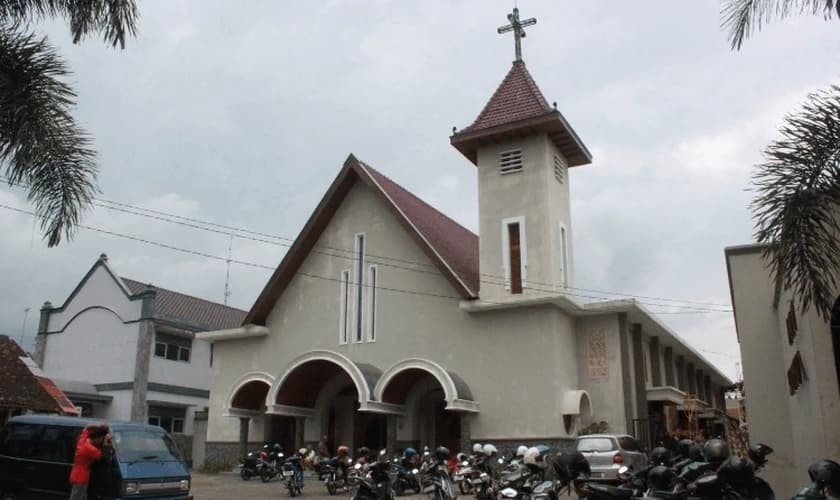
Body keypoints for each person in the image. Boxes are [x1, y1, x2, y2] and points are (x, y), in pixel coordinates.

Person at [69, 424, 111, 500]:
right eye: (102, 439)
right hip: (81, 477)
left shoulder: (82, 440)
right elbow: (103, 456)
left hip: (76, 474)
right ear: (99, 438)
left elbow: (87, 427)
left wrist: (100, 426)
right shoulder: (89, 449)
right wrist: (106, 443)